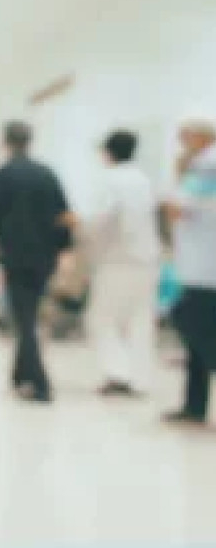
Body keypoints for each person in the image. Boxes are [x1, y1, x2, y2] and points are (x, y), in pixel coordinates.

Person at [0, 121, 72, 403]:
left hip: (16, 257)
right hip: (44, 258)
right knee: (27, 314)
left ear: (5, 142)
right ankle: (21, 374)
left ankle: (39, 382)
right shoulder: (47, 175)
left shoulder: (2, 176)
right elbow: (63, 217)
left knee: (25, 318)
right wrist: (63, 249)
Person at [85, 131, 161, 396]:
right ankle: (139, 378)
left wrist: (87, 245)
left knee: (103, 318)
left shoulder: (109, 180)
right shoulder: (144, 180)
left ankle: (118, 374)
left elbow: (102, 220)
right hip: (147, 259)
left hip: (117, 260)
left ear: (107, 152)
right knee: (140, 319)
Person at [163, 118, 216, 425]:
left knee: (193, 326)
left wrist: (179, 177)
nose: (182, 142)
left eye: (185, 136)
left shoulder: (205, 164)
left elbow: (178, 207)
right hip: (202, 266)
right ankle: (194, 405)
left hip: (204, 270)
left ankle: (195, 405)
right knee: (197, 341)